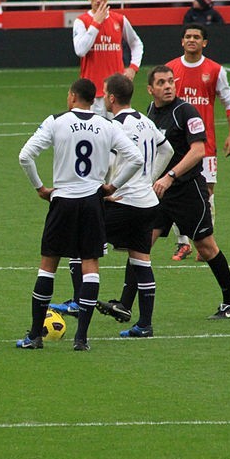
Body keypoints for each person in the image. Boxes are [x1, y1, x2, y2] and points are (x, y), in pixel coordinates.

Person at [15, 78, 144, 351]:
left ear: (73, 96)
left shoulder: (57, 121)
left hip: (62, 200)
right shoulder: (106, 125)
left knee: (48, 264)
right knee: (90, 265)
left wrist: (39, 187)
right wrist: (112, 186)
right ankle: (82, 338)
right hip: (92, 201)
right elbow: (136, 158)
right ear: (93, 99)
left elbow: (25, 156)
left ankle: (35, 336)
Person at [52, 74, 173, 338]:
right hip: (148, 203)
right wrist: (149, 179)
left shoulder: (116, 126)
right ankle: (145, 324)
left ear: (112, 98)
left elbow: (106, 164)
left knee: (80, 246)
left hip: (123, 202)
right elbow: (168, 151)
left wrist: (110, 187)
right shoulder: (145, 121)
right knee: (141, 259)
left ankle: (77, 301)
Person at [144, 65, 230, 319]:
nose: (167, 86)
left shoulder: (185, 111)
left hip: (187, 190)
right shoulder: (151, 112)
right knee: (141, 245)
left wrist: (170, 176)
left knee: (206, 247)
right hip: (161, 193)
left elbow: (198, 150)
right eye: (161, 83)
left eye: (170, 82)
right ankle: (124, 304)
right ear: (150, 89)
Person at [166, 23, 230, 261]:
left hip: (205, 144)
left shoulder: (215, 70)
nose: (192, 40)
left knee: (206, 193)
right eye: (188, 36)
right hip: (177, 145)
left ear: (204, 42)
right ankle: (182, 243)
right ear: (181, 41)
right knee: (175, 191)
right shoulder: (171, 69)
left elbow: (229, 101)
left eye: (196, 37)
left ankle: (205, 242)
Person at [72, 0, 144, 117]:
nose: (98, 0)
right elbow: (80, 50)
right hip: (91, 94)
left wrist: (133, 68)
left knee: (117, 134)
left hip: (116, 93)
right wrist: (95, 24)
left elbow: (136, 43)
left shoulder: (119, 20)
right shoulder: (82, 21)